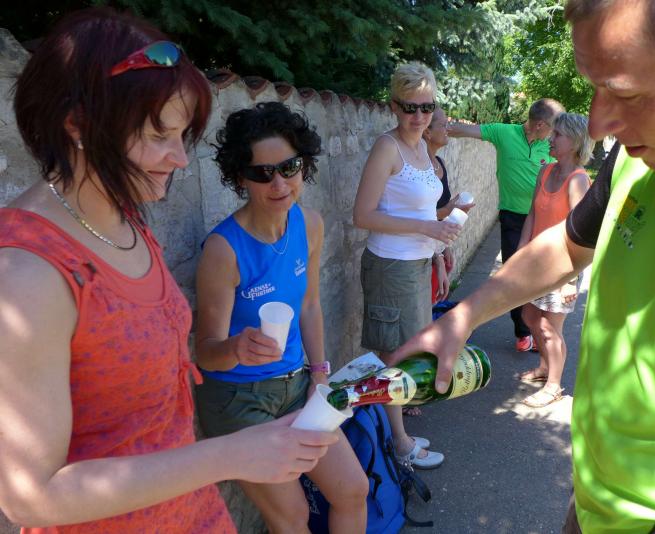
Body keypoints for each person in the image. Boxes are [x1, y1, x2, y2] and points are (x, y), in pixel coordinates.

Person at [389, 0, 655, 532]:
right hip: (591, 504)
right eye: (595, 87)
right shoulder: (640, 153)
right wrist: (462, 318)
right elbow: (568, 246)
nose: (601, 124)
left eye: (626, 91)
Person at [0, 8, 338, 532]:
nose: (179, 158)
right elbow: (30, 498)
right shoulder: (26, 272)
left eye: (182, 135)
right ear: (79, 125)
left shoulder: (124, 220)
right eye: (159, 134)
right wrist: (231, 454)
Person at [193, 102, 368, 533]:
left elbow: (309, 305)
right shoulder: (223, 249)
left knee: (353, 489)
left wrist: (320, 374)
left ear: (303, 165)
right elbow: (206, 354)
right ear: (241, 178)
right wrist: (236, 348)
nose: (279, 184)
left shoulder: (309, 224)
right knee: (292, 517)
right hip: (239, 398)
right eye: (262, 173)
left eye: (289, 167)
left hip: (297, 386)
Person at [353, 62, 461, 469]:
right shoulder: (388, 147)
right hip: (391, 266)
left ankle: (396, 435)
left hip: (416, 265)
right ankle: (399, 443)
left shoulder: (421, 149)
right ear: (394, 107)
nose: (418, 116)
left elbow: (425, 212)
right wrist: (427, 228)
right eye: (409, 107)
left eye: (426, 107)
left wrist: (437, 254)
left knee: (406, 352)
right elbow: (362, 215)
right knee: (394, 357)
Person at [448, 98, 564, 353]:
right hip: (513, 218)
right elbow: (462, 130)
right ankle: (523, 333)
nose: (555, 134)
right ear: (540, 125)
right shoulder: (504, 133)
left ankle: (541, 329)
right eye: (553, 128)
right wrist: (428, 126)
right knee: (514, 276)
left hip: (545, 219)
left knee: (542, 276)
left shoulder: (551, 146)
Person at [516, 113, 593, 408]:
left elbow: (582, 233)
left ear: (574, 141)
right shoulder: (546, 171)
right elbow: (532, 214)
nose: (551, 138)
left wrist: (570, 280)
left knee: (550, 328)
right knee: (529, 317)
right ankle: (544, 367)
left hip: (562, 267)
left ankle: (553, 386)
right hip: (535, 261)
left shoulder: (578, 180)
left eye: (557, 134)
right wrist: (520, 255)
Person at [423, 106, 476, 306]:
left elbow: (441, 212)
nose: (448, 129)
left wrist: (445, 247)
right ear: (427, 132)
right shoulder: (419, 169)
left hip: (436, 250)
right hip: (422, 255)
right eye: (443, 125)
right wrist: (436, 257)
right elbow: (419, 218)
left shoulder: (440, 163)